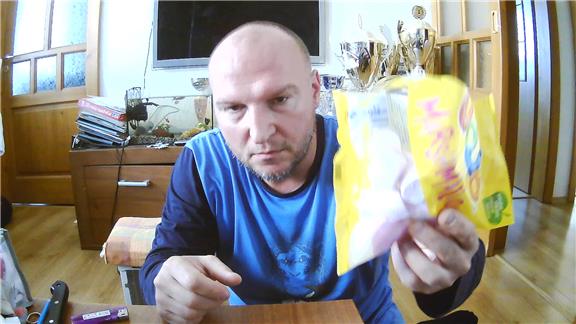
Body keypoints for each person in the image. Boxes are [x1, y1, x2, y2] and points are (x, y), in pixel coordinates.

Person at [140, 21, 485, 324]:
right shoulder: (203, 162)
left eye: (279, 100)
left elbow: (450, 261)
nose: (259, 133)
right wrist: (167, 284)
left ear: (314, 91)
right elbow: (166, 258)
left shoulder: (371, 147)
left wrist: (446, 274)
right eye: (234, 108)